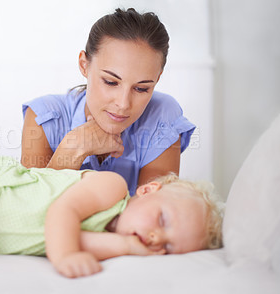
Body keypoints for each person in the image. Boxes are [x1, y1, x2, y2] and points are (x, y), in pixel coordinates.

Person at [0, 156, 224, 278]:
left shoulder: (110, 240)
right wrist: (66, 257)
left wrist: (129, 247)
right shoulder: (112, 187)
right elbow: (64, 212)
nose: (155, 238)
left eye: (169, 246)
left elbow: (81, 238)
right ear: (148, 191)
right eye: (162, 222)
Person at [21, 8, 196, 196]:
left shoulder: (162, 116)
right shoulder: (44, 118)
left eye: (141, 88)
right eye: (111, 82)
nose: (123, 104)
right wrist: (73, 148)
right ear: (84, 65)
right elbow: (27, 214)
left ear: (157, 78)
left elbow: (151, 215)